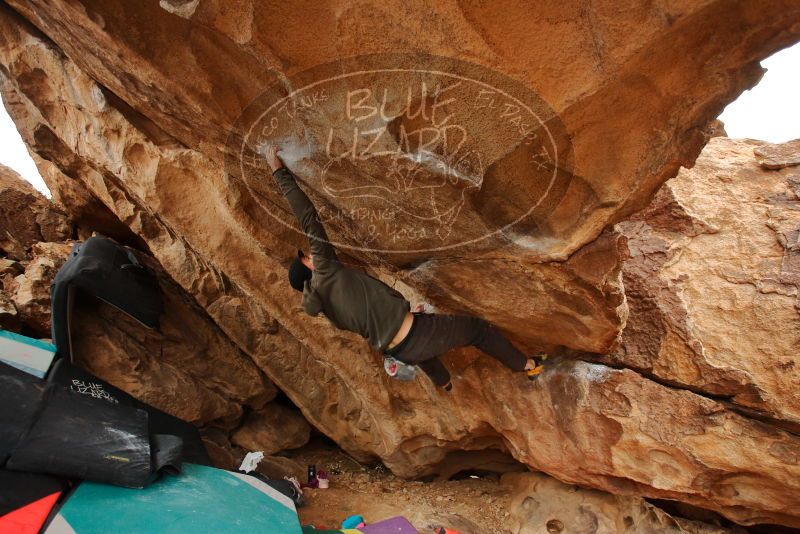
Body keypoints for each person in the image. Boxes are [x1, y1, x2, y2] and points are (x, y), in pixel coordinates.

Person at [264, 145, 545, 391]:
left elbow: (371, 312)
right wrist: (277, 170)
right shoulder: (325, 271)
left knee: (423, 347)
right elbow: (308, 218)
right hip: (417, 337)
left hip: (401, 350)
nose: (312, 256)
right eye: (307, 259)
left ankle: (443, 382)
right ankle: (529, 364)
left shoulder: (328, 309)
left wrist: (406, 312)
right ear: (309, 270)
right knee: (478, 331)